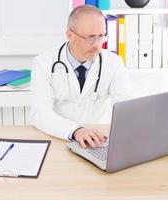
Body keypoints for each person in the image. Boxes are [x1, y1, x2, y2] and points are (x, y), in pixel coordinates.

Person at [31, 5, 132, 149]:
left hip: (98, 141)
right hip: (59, 138)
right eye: (90, 38)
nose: (97, 45)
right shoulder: (44, 63)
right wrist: (76, 130)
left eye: (101, 36)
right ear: (70, 35)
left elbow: (126, 107)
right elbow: (40, 113)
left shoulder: (113, 63)